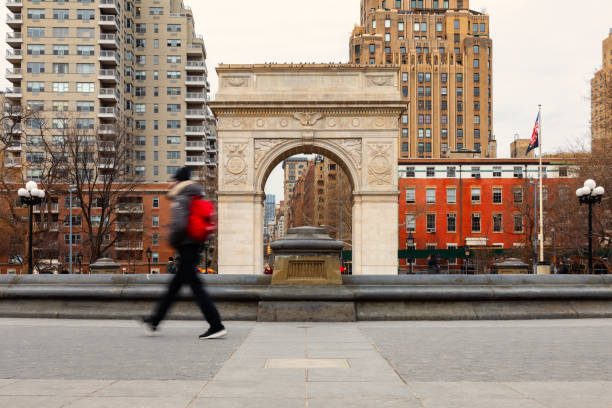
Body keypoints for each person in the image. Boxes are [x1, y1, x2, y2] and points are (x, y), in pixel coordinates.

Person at [142, 166, 226, 340]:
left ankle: (216, 325)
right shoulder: (194, 194)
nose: (171, 183)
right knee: (175, 288)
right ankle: (154, 320)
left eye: (173, 180)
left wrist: (172, 240)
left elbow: (180, 224)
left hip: (187, 246)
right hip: (195, 244)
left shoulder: (182, 196)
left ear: (179, 181)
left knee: (196, 289)